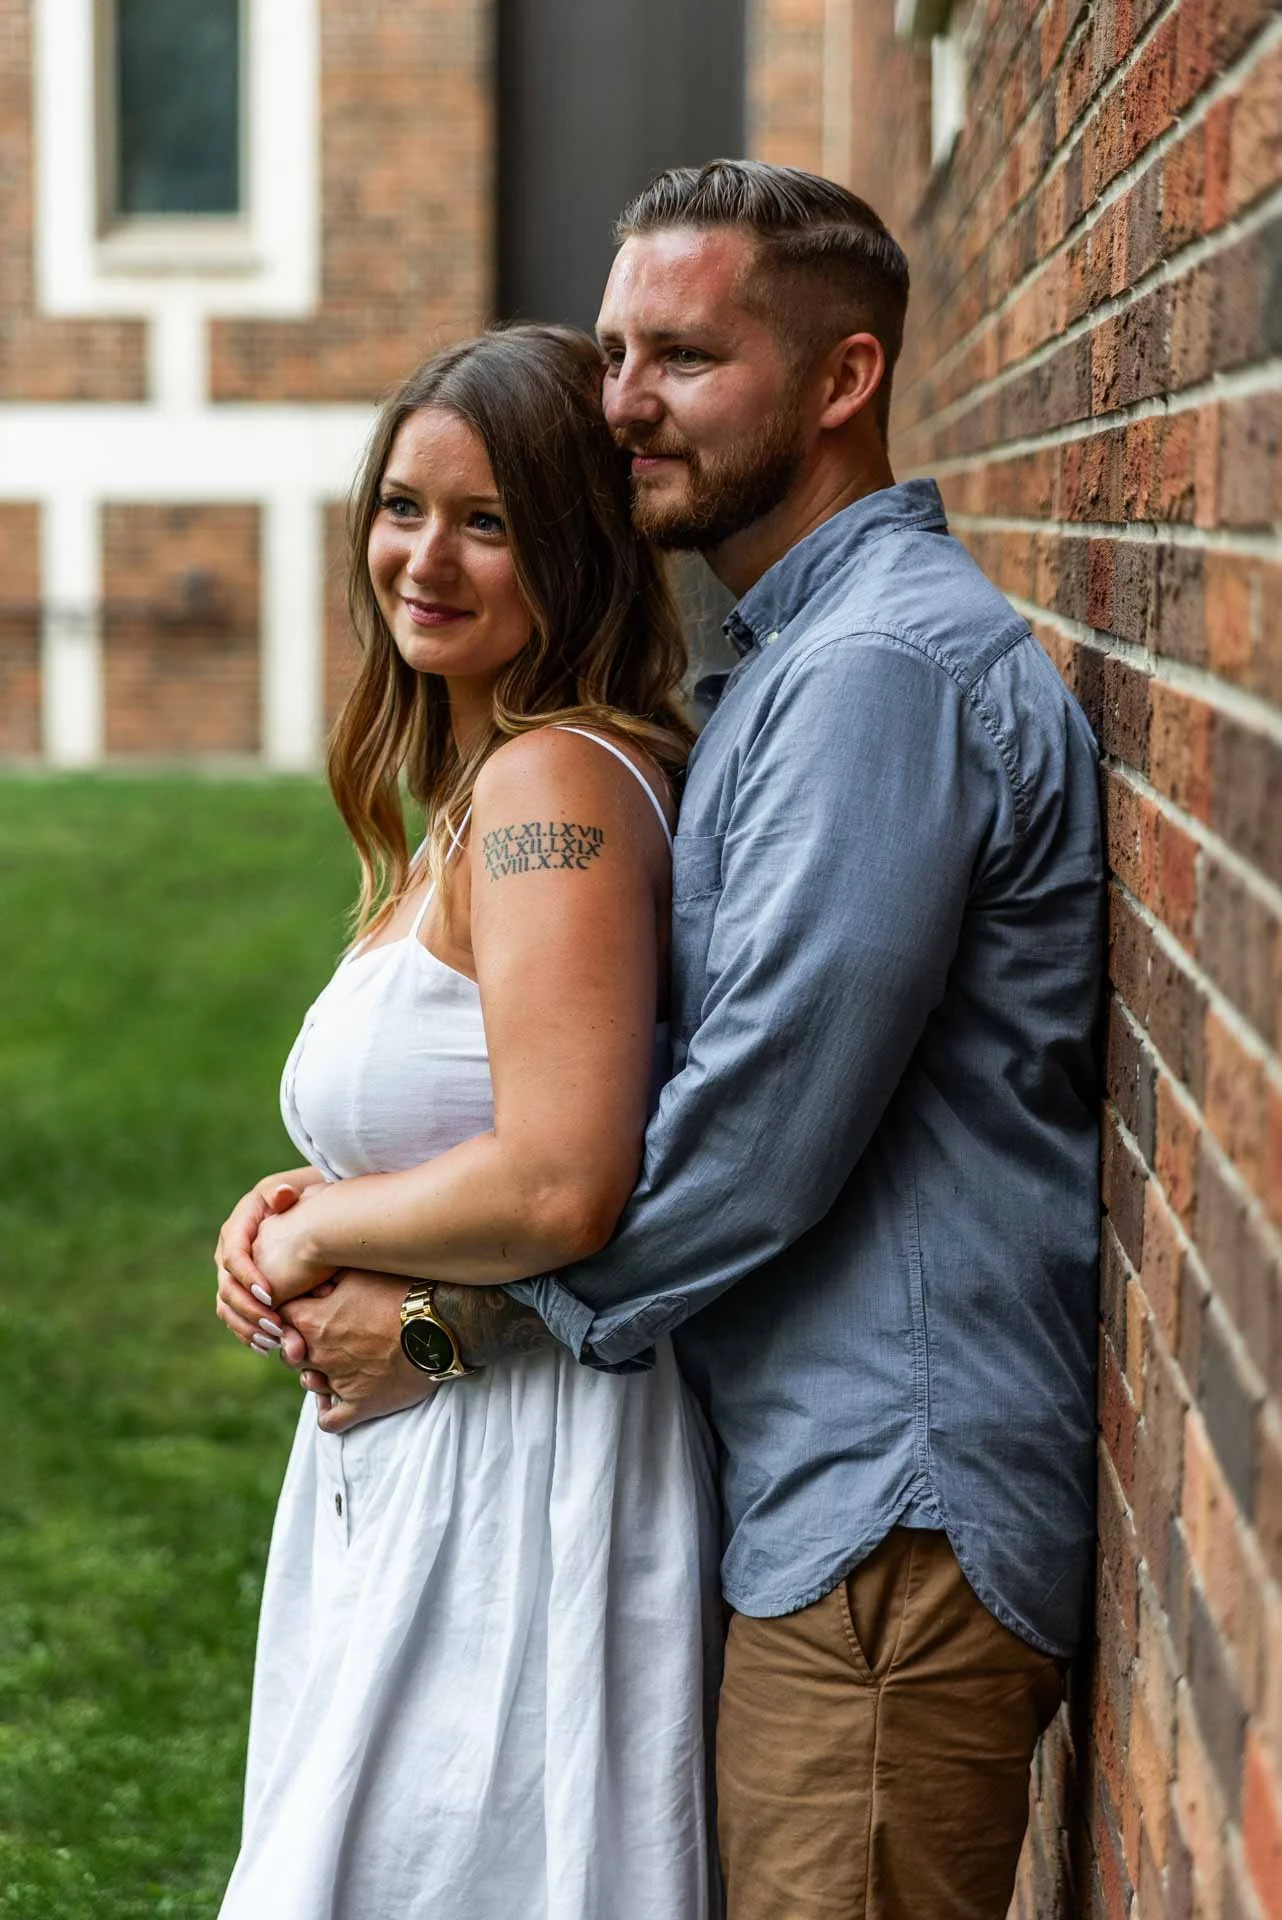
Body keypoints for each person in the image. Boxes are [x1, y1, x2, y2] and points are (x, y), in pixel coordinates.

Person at [225, 160, 1104, 1920]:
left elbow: (736, 1142)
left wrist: (438, 1313)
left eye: (683, 358)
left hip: (889, 1500)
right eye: (616, 353)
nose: (625, 405)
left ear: (841, 380)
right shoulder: (790, 663)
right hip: (806, 1481)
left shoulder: (876, 677)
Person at [213, 324, 720, 1920]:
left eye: (488, 522)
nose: (423, 558)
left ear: (571, 549)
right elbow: (473, 1120)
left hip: (522, 1480)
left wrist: (319, 1230)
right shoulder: (485, 782)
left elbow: (566, 1179)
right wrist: (306, 1195)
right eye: (404, 506)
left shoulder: (552, 790)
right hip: (443, 1438)